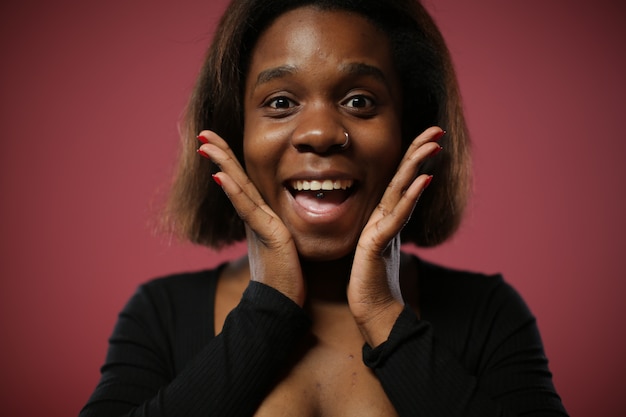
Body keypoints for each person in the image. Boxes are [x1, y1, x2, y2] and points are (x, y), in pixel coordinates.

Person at [79, 0, 568, 416]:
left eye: (359, 101)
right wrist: (265, 314)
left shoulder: (487, 314)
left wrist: (386, 319)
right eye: (280, 102)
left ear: (410, 130)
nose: (320, 133)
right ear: (235, 133)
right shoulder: (161, 314)